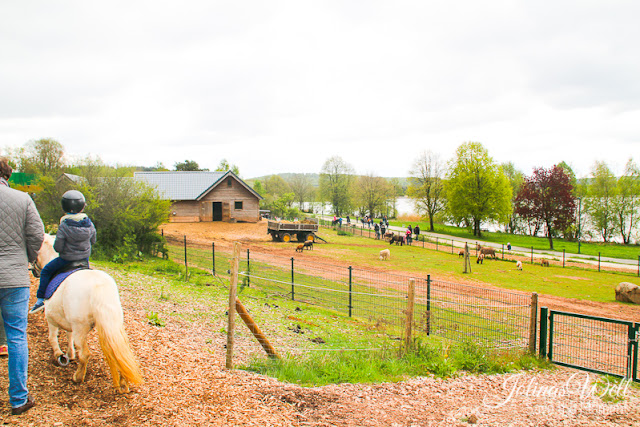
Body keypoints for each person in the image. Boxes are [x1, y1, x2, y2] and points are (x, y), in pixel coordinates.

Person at [0, 157, 44, 415]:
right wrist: (24, 258)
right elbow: (37, 234)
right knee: (17, 336)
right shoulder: (22, 199)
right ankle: (18, 400)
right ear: (9, 174)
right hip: (15, 278)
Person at [29, 190, 96, 314]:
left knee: (46, 271)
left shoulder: (64, 225)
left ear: (64, 207)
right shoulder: (89, 224)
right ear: (82, 207)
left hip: (66, 260)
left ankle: (40, 300)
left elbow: (58, 248)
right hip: (84, 260)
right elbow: (93, 240)